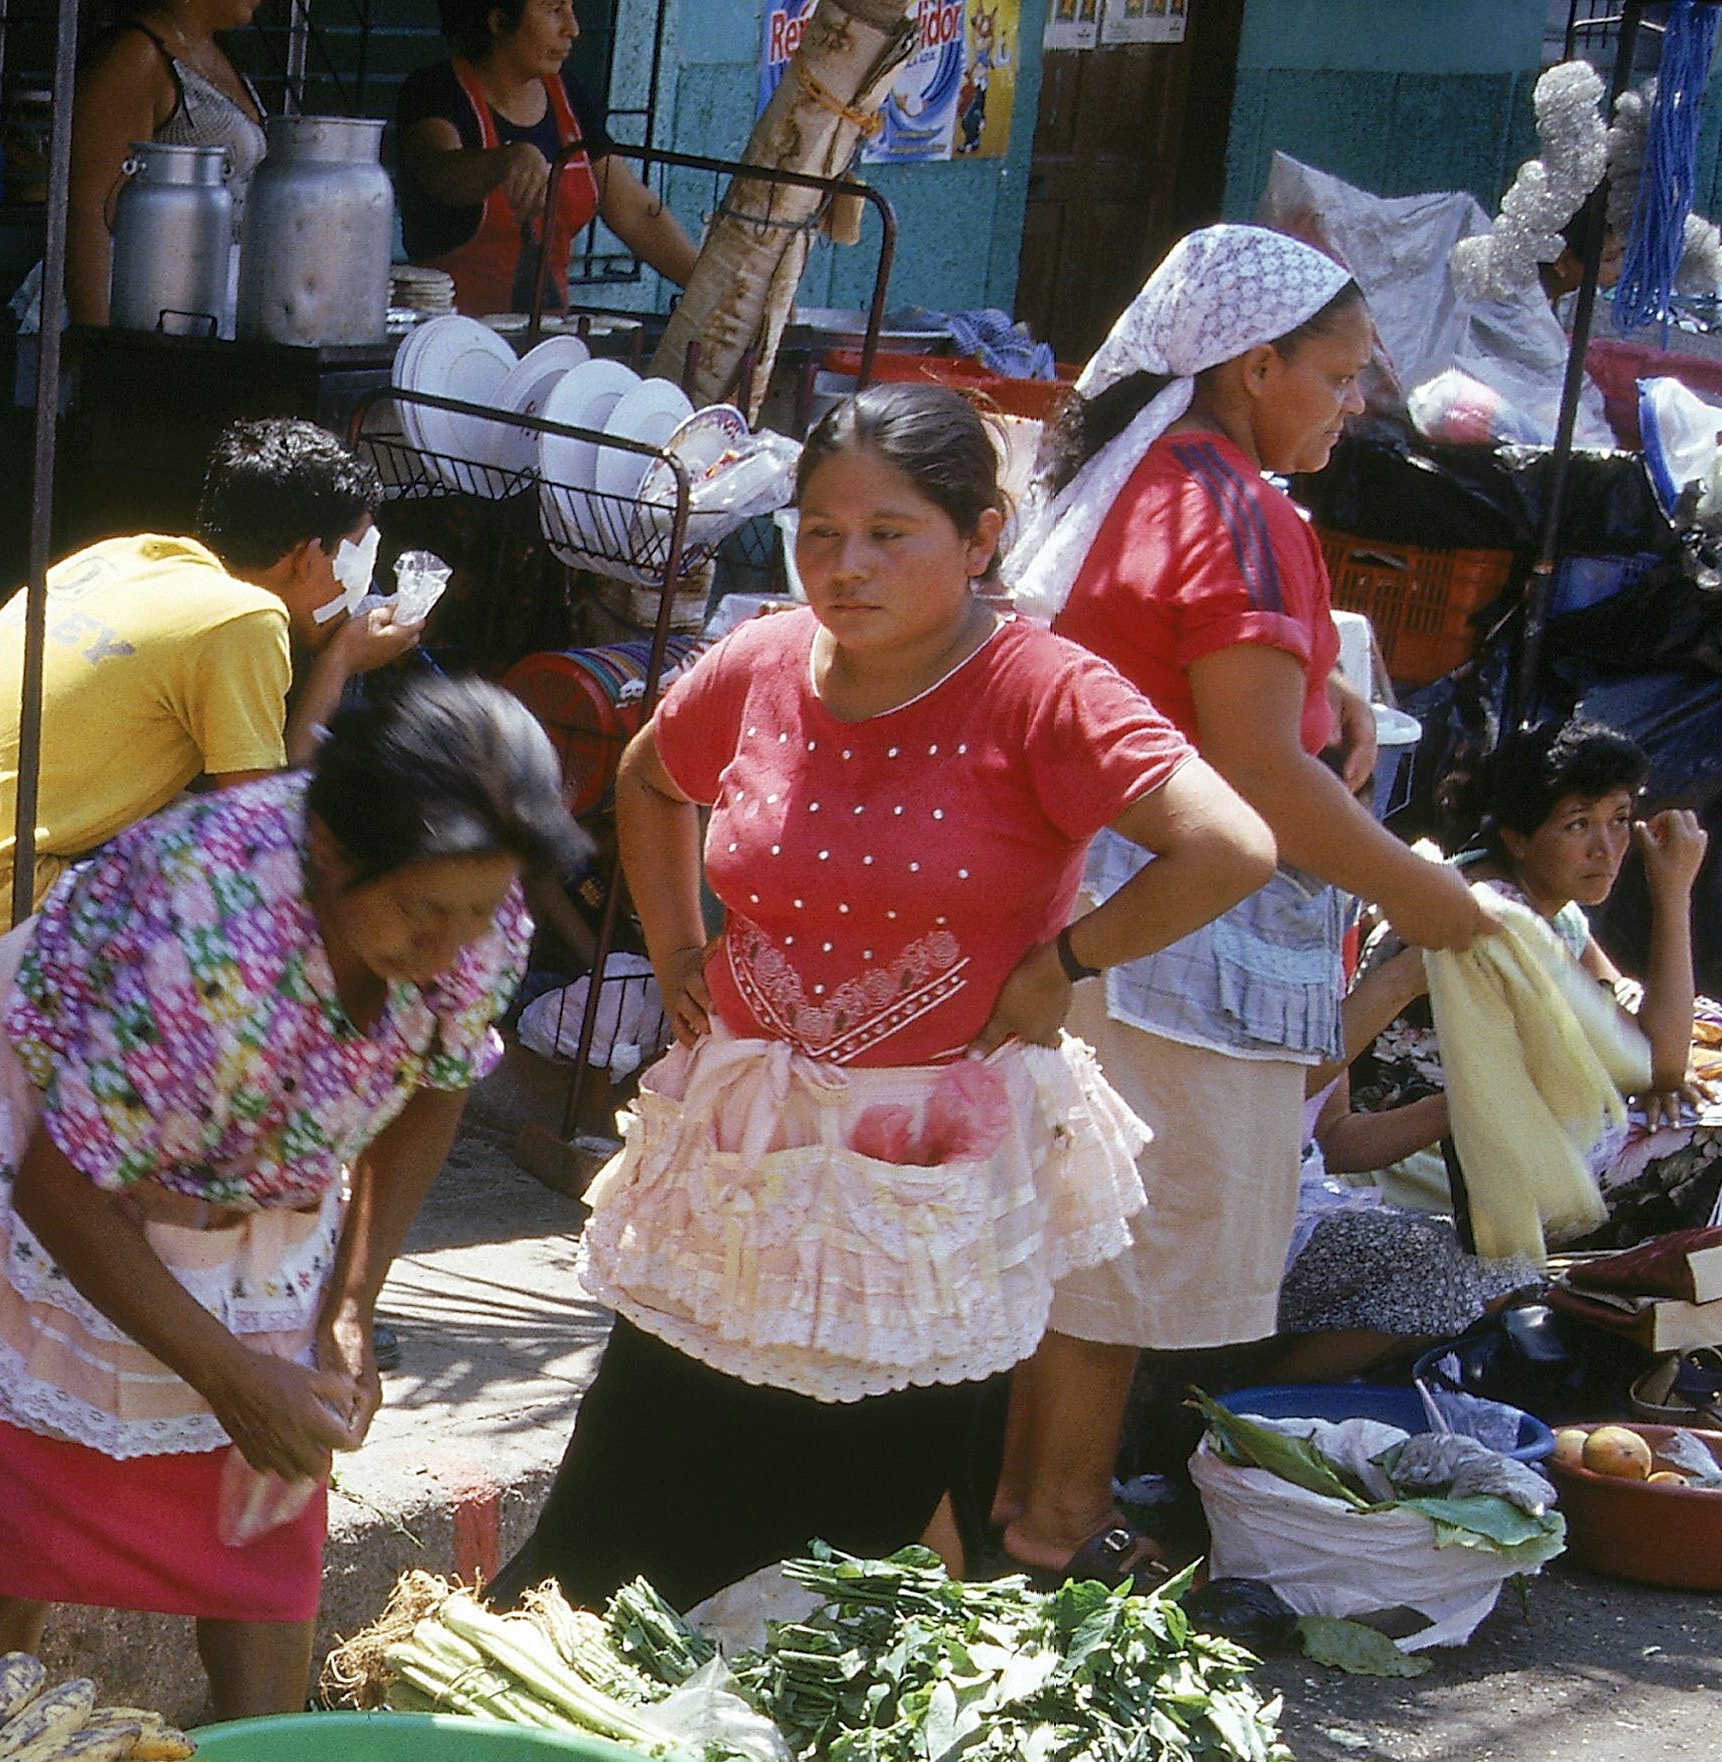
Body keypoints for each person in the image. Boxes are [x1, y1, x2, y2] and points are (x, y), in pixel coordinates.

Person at [504, 390, 1276, 1611]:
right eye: (817, 531)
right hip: (740, 1150)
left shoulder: (1043, 688)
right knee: (646, 1454)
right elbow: (652, 778)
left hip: (920, 1169)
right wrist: (674, 945)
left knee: (863, 1498)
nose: (842, 567)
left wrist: (1061, 963)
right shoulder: (759, 660)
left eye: (886, 533)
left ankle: (809, 1735)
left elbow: (1228, 844)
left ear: (979, 539)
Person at [0, 675, 579, 1719]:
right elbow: (58, 1198)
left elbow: (435, 1080)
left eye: (477, 913)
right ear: (333, 853)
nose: (452, 946)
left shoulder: (471, 906)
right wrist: (232, 1376)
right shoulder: (202, 946)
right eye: (425, 912)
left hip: (248, 1162)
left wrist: (348, 1305)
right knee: (15, 1523)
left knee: (262, 1552)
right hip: (66, 1138)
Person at [993, 225, 1492, 1583]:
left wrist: (1316, 675)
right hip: (1169, 929)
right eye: (1334, 376)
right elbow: (1256, 765)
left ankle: (1018, 1507)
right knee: (1121, 1254)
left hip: (1088, 901)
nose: (1352, 405)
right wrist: (1427, 897)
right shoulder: (1239, 513)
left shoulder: (1148, 474)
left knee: (1077, 1241)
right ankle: (1056, 1521)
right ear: (1255, 363)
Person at [0, 418, 419, 966]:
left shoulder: (119, 556)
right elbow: (261, 833)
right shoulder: (247, 619)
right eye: (358, 552)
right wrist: (340, 660)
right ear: (307, 557)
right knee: (255, 927)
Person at [1348, 718, 1721, 1243]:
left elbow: (1623, 998)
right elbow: (1656, 1063)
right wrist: (1674, 892)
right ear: (1518, 839)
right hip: (1429, 1162)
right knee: (1710, 1137)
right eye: (1578, 825)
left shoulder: (1550, 908)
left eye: (1618, 820)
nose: (1607, 848)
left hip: (1499, 1132)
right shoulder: (1498, 913)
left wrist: (1669, 1067)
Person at [1271, 941, 1539, 1383]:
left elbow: (1335, 1140)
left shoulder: (1317, 962)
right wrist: (1399, 982)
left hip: (1302, 1194)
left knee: (1507, 1276)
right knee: (1429, 1261)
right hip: (1228, 1210)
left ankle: (1336, 1399)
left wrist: (1465, 1103)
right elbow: (1265, 1101)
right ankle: (1246, 1406)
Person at [394, 0, 697, 320]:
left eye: (571, 8)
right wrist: (505, 161)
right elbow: (438, 173)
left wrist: (709, 289)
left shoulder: (569, 95)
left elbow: (634, 212)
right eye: (555, 10)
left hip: (545, 339)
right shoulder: (436, 91)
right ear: (498, 21)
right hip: (450, 340)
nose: (573, 29)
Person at [37, 0, 268, 333]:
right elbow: (86, 211)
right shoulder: (137, 56)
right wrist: (99, 347)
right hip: (142, 315)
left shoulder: (216, 53)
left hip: (202, 313)